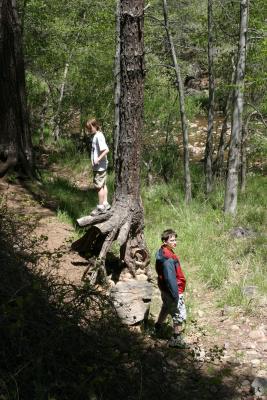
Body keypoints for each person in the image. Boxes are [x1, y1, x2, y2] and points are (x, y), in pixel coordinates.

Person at [155, 229, 188, 348]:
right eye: (172, 240)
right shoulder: (168, 258)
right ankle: (176, 339)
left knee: (166, 307)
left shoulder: (162, 252)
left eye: (175, 239)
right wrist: (175, 294)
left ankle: (157, 327)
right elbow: (170, 278)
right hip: (173, 290)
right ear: (165, 241)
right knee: (179, 313)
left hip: (164, 289)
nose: (175, 242)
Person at [85, 118, 110, 214]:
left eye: (90, 128)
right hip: (100, 166)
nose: (89, 130)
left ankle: (100, 208)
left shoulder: (98, 136)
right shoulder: (97, 135)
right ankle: (105, 203)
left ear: (95, 126)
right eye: (88, 129)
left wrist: (97, 159)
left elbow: (106, 150)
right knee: (103, 185)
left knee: (99, 187)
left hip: (99, 166)